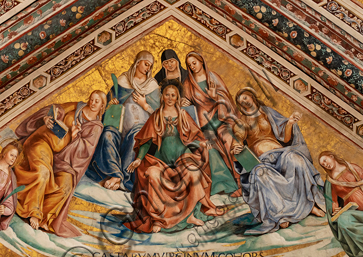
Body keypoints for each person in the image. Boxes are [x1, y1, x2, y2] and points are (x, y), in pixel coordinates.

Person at [125, 80, 225, 233]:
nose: (170, 98)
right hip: (160, 163)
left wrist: (203, 145)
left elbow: (196, 137)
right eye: (167, 94)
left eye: (173, 95)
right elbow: (145, 141)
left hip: (182, 161)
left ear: (177, 98)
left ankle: (190, 215)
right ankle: (158, 219)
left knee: (194, 172)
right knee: (151, 174)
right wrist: (139, 158)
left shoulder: (183, 115)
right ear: (162, 96)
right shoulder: (156, 116)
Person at [232, 88, 325, 234]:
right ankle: (281, 216)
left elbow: (285, 139)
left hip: (281, 154)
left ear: (252, 96)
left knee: (295, 159)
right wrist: (236, 146)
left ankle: (309, 205)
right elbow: (238, 140)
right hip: (262, 161)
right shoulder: (241, 122)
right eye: (240, 102)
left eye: (245, 98)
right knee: (260, 174)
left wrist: (289, 123)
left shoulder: (267, 112)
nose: (243, 102)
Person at [15, 91, 106, 236]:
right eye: (91, 99)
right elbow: (57, 109)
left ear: (102, 106)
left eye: (97, 101)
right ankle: (33, 211)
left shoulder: (96, 127)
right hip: (45, 143)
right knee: (43, 173)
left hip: (67, 159)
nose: (93, 103)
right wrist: (48, 118)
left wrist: (74, 137)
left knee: (66, 186)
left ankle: (45, 218)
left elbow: (86, 150)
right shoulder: (77, 107)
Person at [86, 51, 161, 191]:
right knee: (107, 134)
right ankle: (115, 173)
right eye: (146, 64)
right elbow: (105, 104)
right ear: (138, 62)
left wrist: (145, 105)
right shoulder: (123, 80)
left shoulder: (152, 85)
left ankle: (124, 178)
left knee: (136, 137)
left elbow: (159, 114)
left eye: (150, 66)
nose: (148, 69)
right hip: (118, 125)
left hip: (140, 126)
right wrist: (111, 103)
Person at [181, 51, 240, 197]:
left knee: (228, 141)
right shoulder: (188, 82)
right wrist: (184, 102)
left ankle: (240, 181)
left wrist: (216, 96)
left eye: (194, 63)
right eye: (189, 65)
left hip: (220, 118)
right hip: (204, 123)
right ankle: (226, 184)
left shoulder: (213, 77)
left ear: (201, 61)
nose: (193, 67)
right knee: (213, 149)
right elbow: (186, 102)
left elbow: (227, 98)